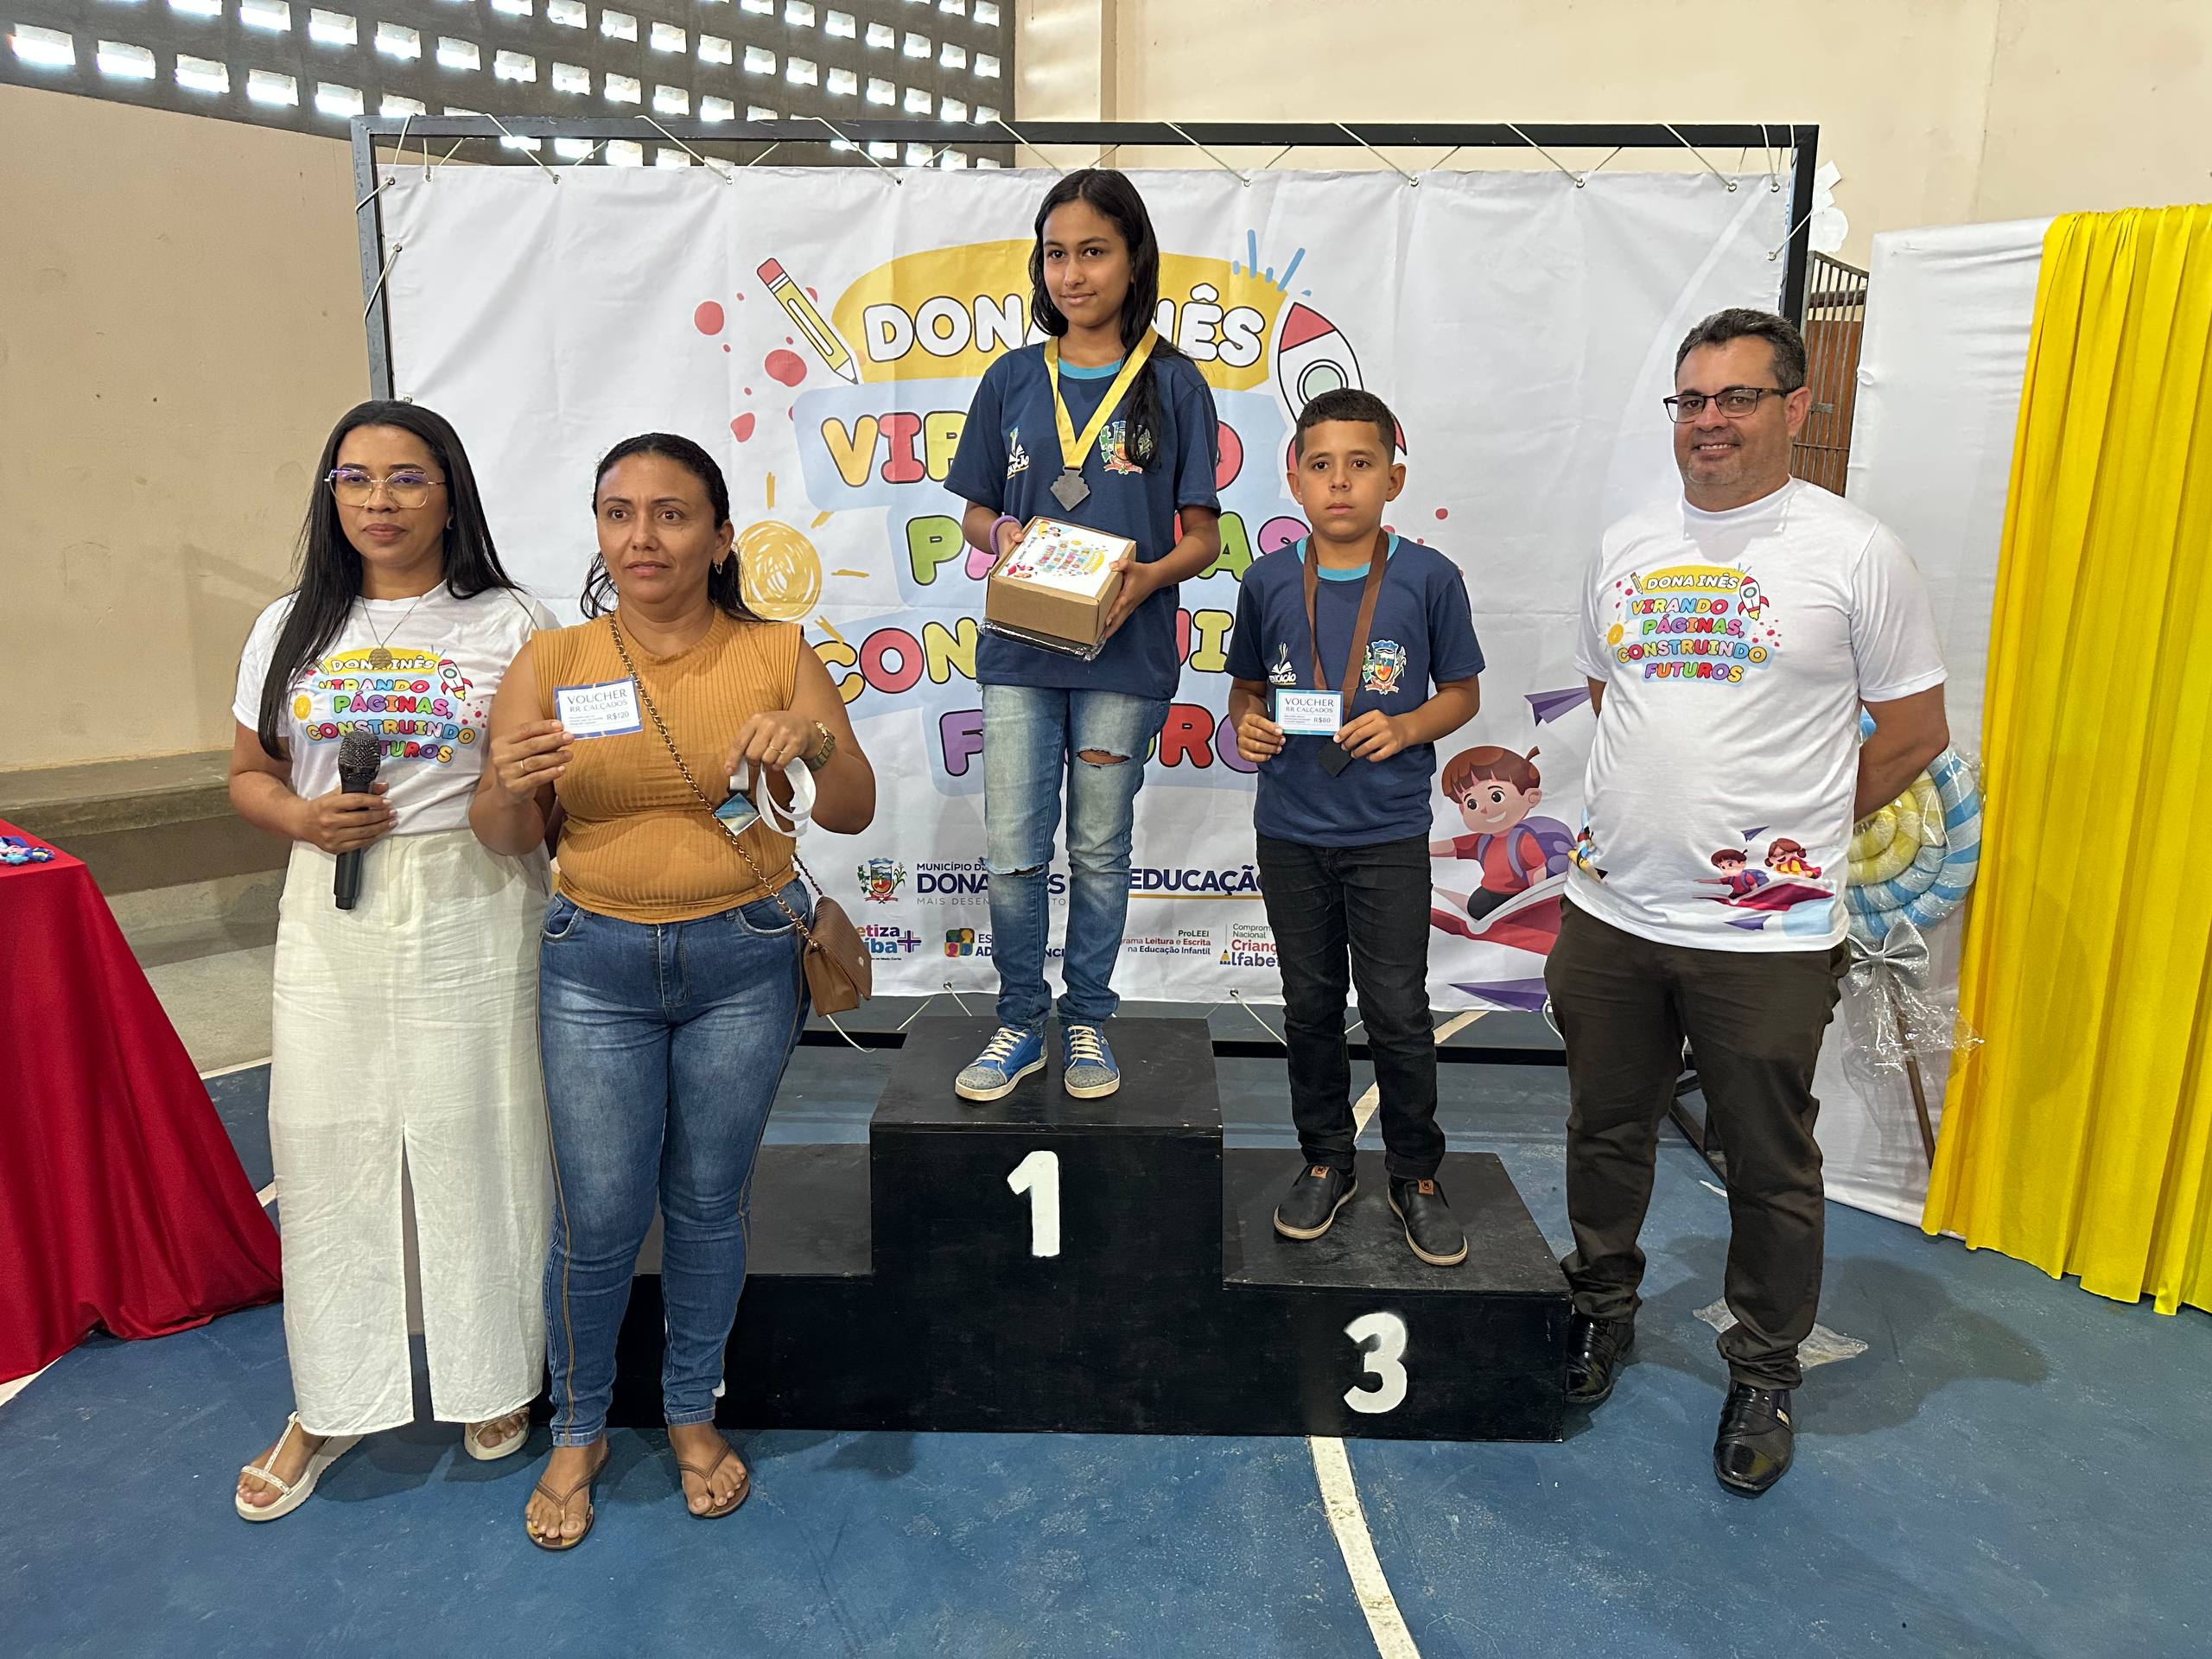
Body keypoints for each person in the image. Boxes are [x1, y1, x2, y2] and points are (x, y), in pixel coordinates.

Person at [1548, 308, 1949, 1496]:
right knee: (1604, 1130)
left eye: (1737, 398)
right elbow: (1611, 695)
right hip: (1612, 915)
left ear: (1794, 408)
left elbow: (1914, 730)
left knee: (1770, 1162)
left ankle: (1765, 1368)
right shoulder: (1626, 544)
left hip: (1765, 936)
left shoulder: (1855, 552)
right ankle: (1600, 1307)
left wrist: (1804, 831)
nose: (1710, 421)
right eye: (1693, 400)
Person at [472, 433, 874, 1550]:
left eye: (670, 513)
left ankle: (692, 1410)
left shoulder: (776, 650)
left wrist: (815, 739)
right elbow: (506, 835)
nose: (641, 536)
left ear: (720, 536)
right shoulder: (552, 660)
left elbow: (850, 810)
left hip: (745, 959)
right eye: (619, 513)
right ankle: (580, 1428)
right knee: (599, 1214)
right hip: (592, 964)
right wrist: (502, 785)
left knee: (706, 1201)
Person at [226, 400, 556, 1521]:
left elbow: (551, 787)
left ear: (450, 493)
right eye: (355, 479)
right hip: (331, 905)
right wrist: (302, 819)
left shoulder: (513, 621)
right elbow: (249, 774)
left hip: (478, 896)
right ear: (331, 496)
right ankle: (327, 1401)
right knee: (326, 1142)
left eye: (407, 478)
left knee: (483, 1135)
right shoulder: (288, 626)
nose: (379, 501)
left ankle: (491, 1375)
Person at [944, 167, 1223, 1103]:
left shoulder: (1173, 383)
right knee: (1013, 848)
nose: (1072, 274)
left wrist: (1147, 577)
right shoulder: (1012, 379)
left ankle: (1090, 1020)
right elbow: (975, 511)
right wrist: (1001, 535)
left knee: (1100, 847)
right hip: (1020, 654)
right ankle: (1020, 1021)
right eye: (1056, 254)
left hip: (1124, 655)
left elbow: (1202, 536)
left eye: (1093, 252)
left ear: (1134, 260)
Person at [1227, 389, 1484, 1266]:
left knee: (1397, 1011)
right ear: (1295, 478)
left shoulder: (1429, 577)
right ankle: (1325, 1160)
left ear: (1393, 480)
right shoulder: (1266, 580)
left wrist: (1407, 727)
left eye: (1361, 464)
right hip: (1290, 831)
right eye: (1322, 465)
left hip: (1385, 834)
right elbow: (1247, 690)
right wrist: (1247, 724)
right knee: (1308, 1008)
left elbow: (1462, 693)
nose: (1340, 482)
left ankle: (1416, 1174)